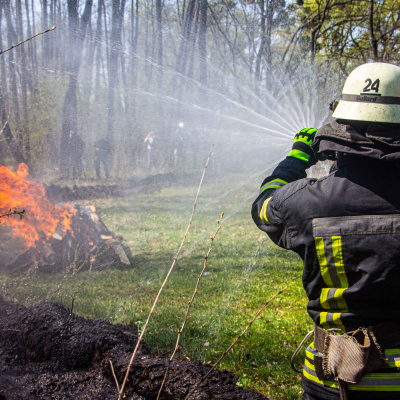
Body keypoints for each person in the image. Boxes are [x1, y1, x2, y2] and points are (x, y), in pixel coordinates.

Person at [252, 62, 400, 400]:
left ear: (342, 123)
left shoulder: (305, 202)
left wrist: (295, 158)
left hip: (331, 380)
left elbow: (264, 205)